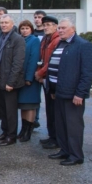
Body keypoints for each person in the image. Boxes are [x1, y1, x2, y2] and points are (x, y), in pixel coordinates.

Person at [47, 18, 92, 166]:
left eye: (63, 28)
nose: (60, 30)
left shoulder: (83, 45)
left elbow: (87, 73)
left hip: (73, 94)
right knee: (61, 124)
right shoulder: (61, 43)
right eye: (59, 28)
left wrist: (80, 93)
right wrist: (53, 89)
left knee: (73, 126)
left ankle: (76, 155)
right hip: (59, 92)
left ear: (72, 29)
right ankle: (65, 150)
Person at [0, 14, 25, 146]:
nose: (3, 25)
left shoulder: (17, 40)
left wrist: (11, 82)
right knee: (2, 109)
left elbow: (18, 63)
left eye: (6, 22)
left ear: (12, 24)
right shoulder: (2, 37)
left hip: (9, 82)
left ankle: (11, 136)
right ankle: (5, 132)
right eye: (1, 23)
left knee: (10, 111)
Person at [34, 16, 60, 149]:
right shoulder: (45, 39)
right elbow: (41, 58)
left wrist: (40, 72)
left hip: (53, 79)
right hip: (45, 78)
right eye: (45, 25)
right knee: (49, 109)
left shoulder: (57, 40)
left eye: (49, 25)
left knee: (55, 110)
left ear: (56, 26)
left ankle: (57, 138)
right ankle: (51, 136)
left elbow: (52, 62)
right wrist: (39, 72)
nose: (46, 27)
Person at [16, 20, 41, 142]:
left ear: (31, 29)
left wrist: (29, 78)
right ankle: (23, 129)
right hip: (20, 79)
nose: (24, 30)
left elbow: (33, 59)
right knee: (23, 105)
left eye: (26, 28)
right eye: (22, 28)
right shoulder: (21, 40)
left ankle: (28, 132)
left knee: (30, 106)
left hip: (29, 79)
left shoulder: (34, 40)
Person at [32, 10, 46, 128]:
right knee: (35, 96)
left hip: (46, 69)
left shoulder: (47, 34)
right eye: (35, 17)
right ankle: (34, 119)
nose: (37, 19)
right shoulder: (32, 33)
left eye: (40, 17)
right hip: (35, 70)